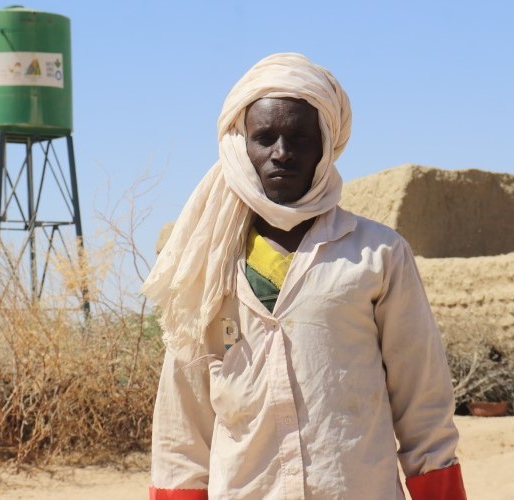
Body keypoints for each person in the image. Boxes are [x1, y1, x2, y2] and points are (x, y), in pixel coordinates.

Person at [142, 53, 467, 499]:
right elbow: (183, 425)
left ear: (325, 145)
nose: (282, 154)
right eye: (265, 138)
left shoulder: (378, 254)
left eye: (298, 138)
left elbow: (423, 403)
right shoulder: (208, 262)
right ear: (241, 146)